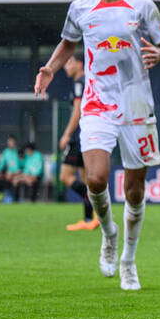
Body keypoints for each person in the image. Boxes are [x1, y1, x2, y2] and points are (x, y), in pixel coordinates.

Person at [34, 0, 160, 291]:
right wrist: (51, 68)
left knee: (134, 189)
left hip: (137, 105)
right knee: (95, 180)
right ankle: (108, 233)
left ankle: (128, 259)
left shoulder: (142, 6)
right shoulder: (80, 8)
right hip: (97, 104)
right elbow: (68, 42)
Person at [59, 55, 98, 230]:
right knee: (85, 179)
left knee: (65, 177)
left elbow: (77, 111)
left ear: (79, 64)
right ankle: (90, 220)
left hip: (78, 138)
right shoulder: (87, 82)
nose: (66, 66)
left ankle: (100, 206)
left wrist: (67, 134)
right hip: (88, 135)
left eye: (69, 62)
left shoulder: (79, 83)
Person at [0, 135, 22, 202]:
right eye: (9, 142)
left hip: (18, 173)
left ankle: (15, 200)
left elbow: (22, 165)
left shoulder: (18, 152)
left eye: (11, 142)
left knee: (15, 180)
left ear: (15, 142)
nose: (10, 143)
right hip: (8, 174)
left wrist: (14, 172)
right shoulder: (6, 152)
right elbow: (1, 165)